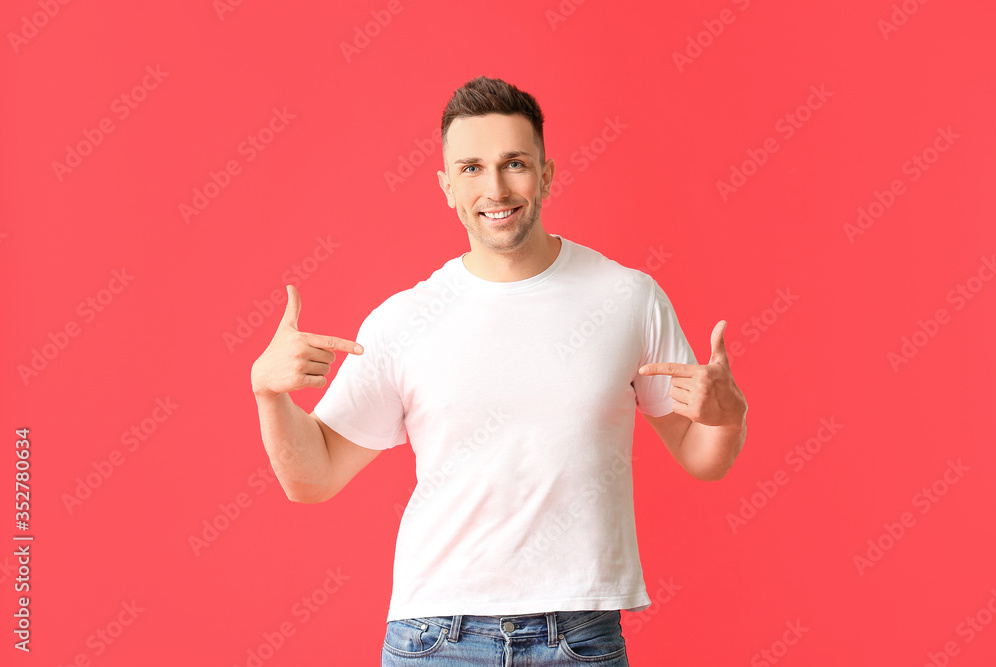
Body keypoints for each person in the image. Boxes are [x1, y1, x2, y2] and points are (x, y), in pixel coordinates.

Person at [251, 75, 748, 666]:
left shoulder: (627, 298)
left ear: (546, 173)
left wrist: (728, 417)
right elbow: (314, 478)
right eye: (471, 168)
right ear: (445, 186)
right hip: (436, 638)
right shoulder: (405, 319)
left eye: (515, 163)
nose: (495, 187)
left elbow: (701, 457)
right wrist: (268, 394)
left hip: (579, 634)